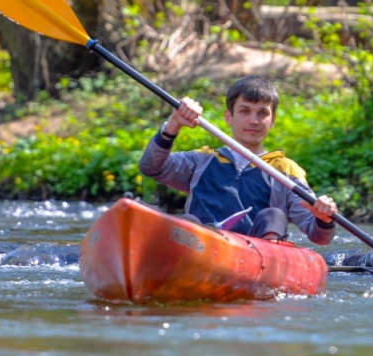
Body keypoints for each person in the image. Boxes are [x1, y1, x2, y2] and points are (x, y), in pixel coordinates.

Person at [139, 75, 338, 244]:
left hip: (257, 255)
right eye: (245, 111)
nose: (253, 120)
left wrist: (324, 220)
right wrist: (173, 125)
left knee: (273, 216)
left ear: (273, 120)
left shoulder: (285, 170)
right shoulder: (202, 160)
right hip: (201, 249)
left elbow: (319, 236)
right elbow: (151, 167)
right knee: (188, 221)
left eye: (262, 113)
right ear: (229, 117)